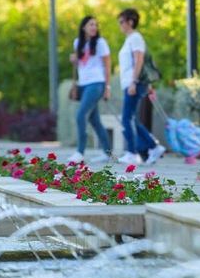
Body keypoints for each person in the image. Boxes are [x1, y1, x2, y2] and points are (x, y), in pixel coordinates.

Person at [117, 8, 166, 165]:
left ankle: (132, 152)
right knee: (131, 119)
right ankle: (153, 147)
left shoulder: (135, 38)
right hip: (132, 83)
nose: (120, 25)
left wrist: (133, 82)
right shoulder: (130, 39)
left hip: (134, 83)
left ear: (130, 22)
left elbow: (139, 60)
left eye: (122, 22)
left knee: (126, 118)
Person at [67, 16, 113, 164]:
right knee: (95, 121)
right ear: (83, 27)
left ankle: (80, 152)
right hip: (84, 84)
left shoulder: (100, 43)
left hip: (97, 83)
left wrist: (107, 87)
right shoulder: (77, 43)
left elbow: (107, 65)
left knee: (80, 115)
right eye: (91, 24)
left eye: (95, 25)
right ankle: (108, 153)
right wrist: (74, 59)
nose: (94, 27)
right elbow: (81, 64)